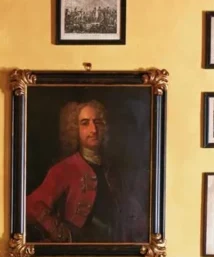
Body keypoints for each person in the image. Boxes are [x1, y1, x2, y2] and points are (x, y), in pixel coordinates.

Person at [26, 99, 146, 243]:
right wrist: (61, 234)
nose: (93, 130)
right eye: (85, 123)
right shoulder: (64, 169)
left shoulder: (113, 170)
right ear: (74, 129)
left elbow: (133, 213)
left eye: (98, 123)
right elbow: (32, 205)